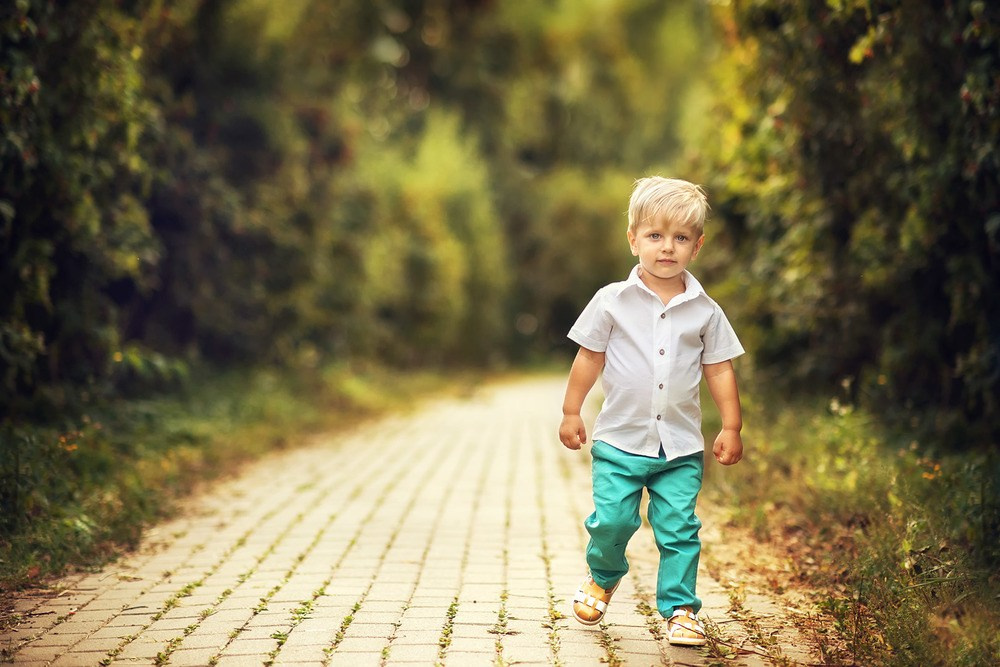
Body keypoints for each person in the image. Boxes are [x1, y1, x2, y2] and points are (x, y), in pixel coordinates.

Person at [558, 176, 745, 646]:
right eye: (655, 236)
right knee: (615, 521)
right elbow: (588, 358)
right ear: (633, 239)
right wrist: (571, 411)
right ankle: (603, 574)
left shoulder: (705, 311)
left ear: (696, 246)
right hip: (619, 440)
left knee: (679, 529)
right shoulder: (611, 302)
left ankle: (681, 609)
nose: (667, 247)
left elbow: (719, 370)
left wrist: (731, 425)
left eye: (680, 238)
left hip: (680, 447)